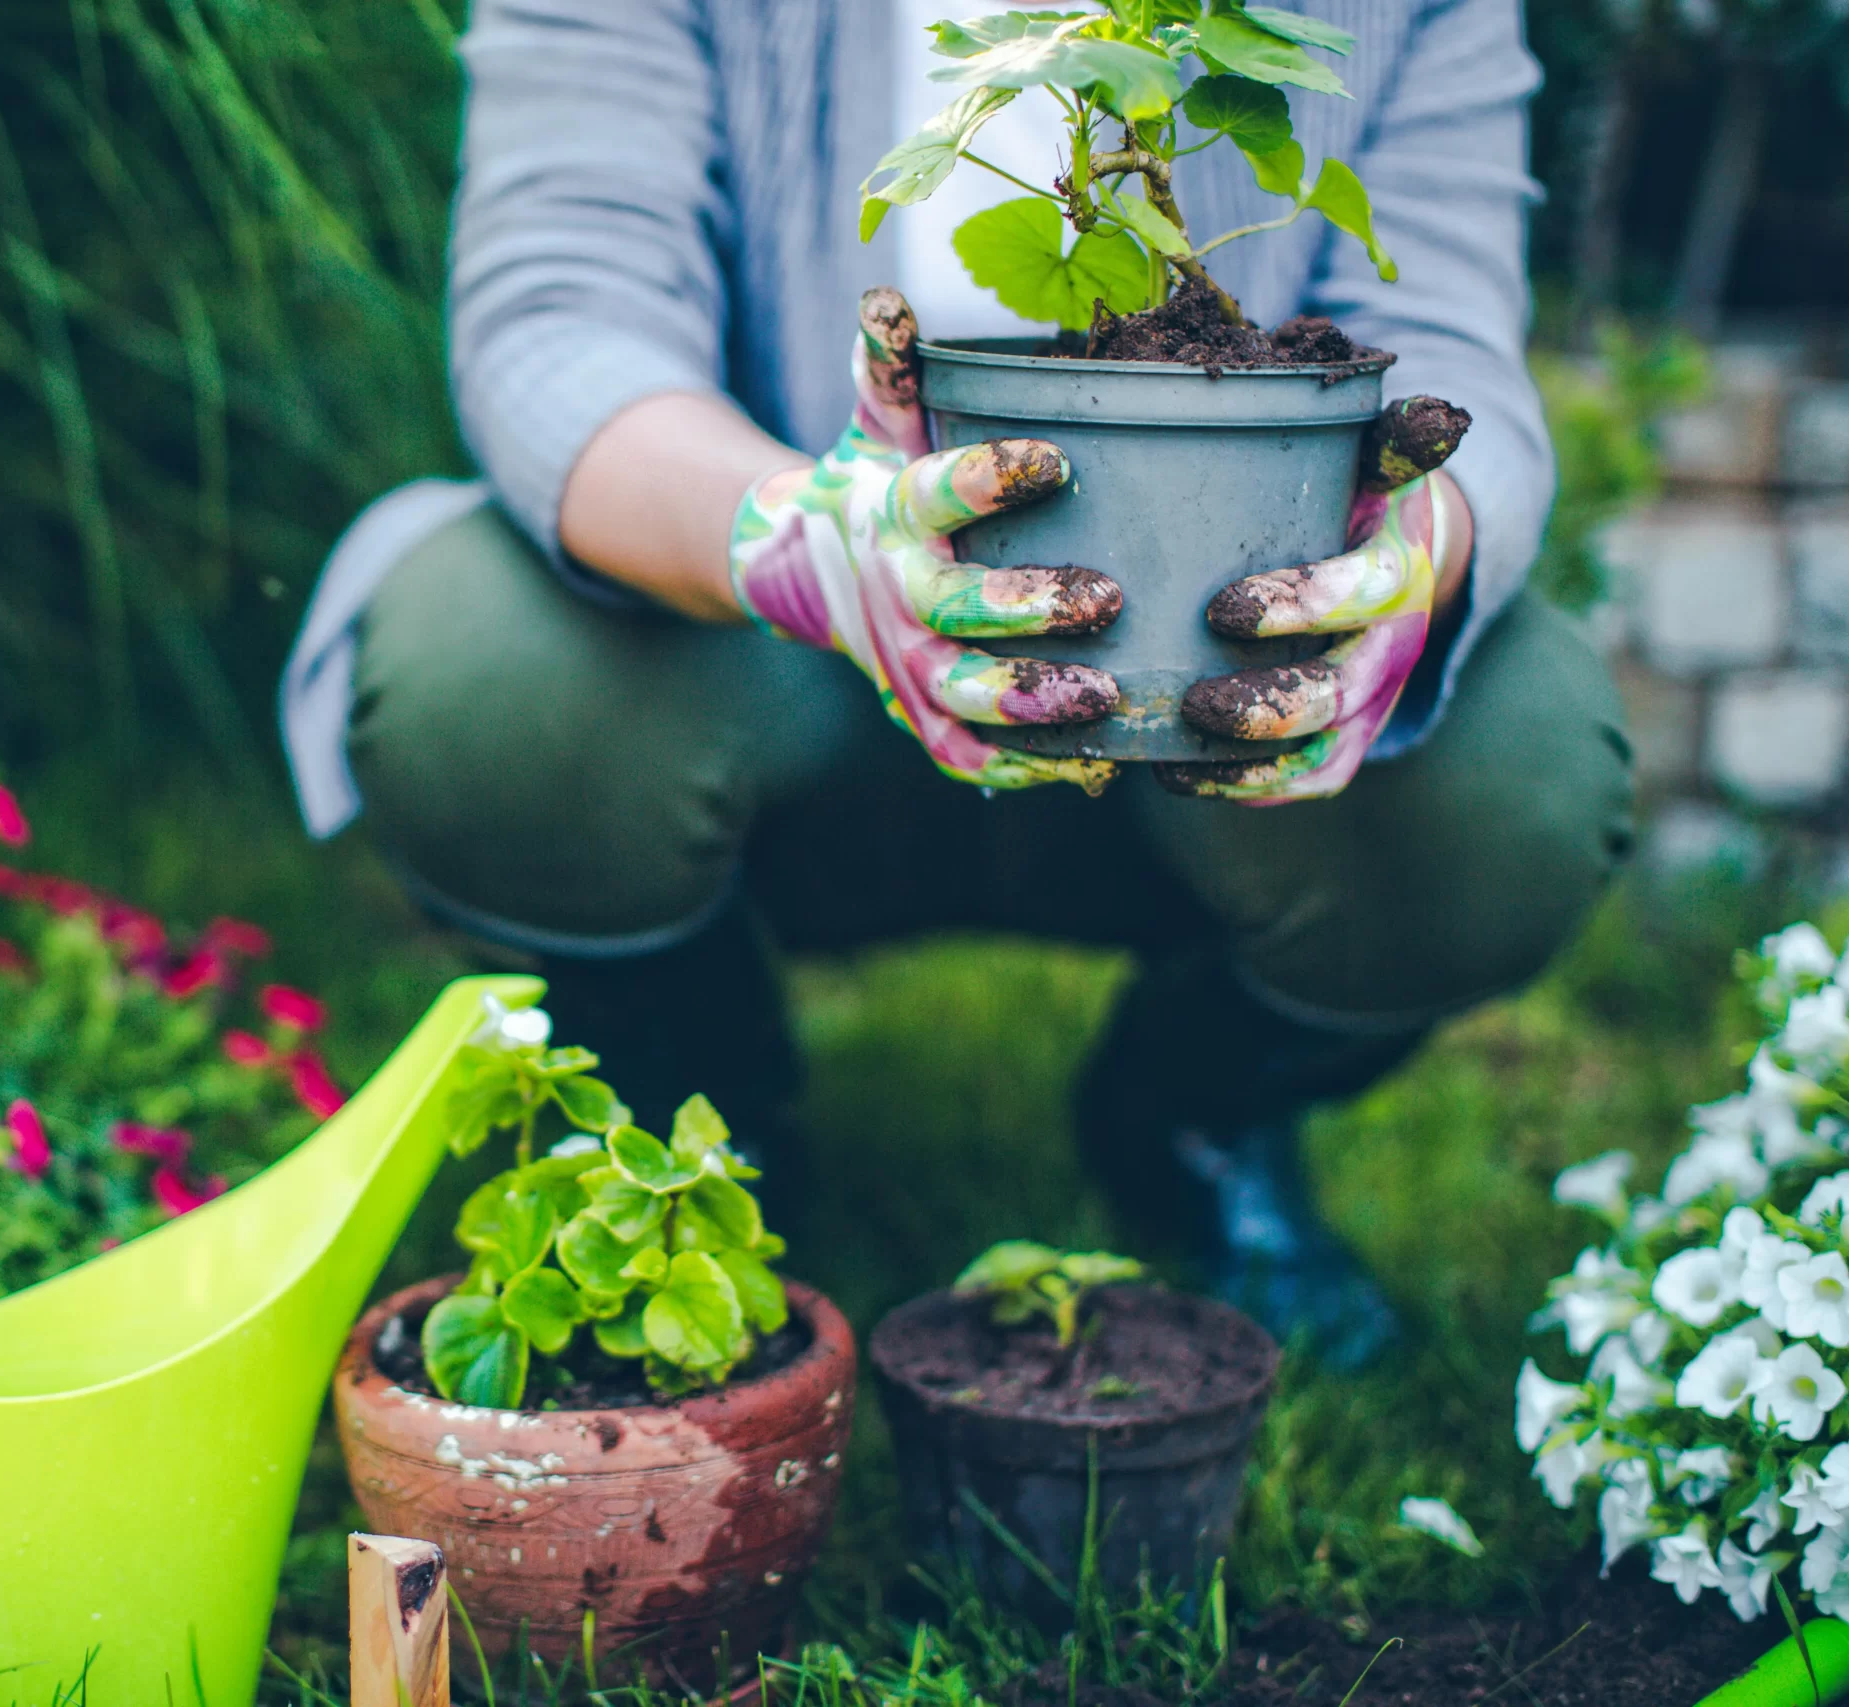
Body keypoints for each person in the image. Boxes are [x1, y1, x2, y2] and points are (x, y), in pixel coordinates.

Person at [277, 0, 1635, 1368]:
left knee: (1515, 772)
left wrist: (1415, 552)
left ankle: (1194, 1108)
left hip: (1214, 674)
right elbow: (560, 318)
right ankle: (698, 1096)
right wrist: (808, 542)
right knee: (480, 672)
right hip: (765, 664)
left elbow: (1447, 338)